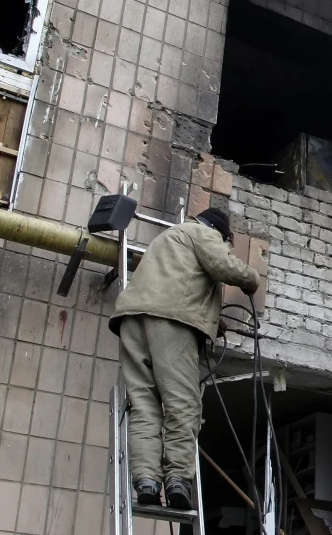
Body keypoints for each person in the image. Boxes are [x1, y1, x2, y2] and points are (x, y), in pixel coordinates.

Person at [109, 207, 260, 509]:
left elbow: (179, 285)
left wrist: (210, 320)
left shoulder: (167, 238)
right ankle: (177, 480)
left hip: (132, 320)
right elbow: (225, 267)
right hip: (169, 323)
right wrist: (252, 278)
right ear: (221, 233)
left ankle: (147, 482)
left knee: (144, 406)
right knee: (183, 405)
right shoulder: (203, 234)